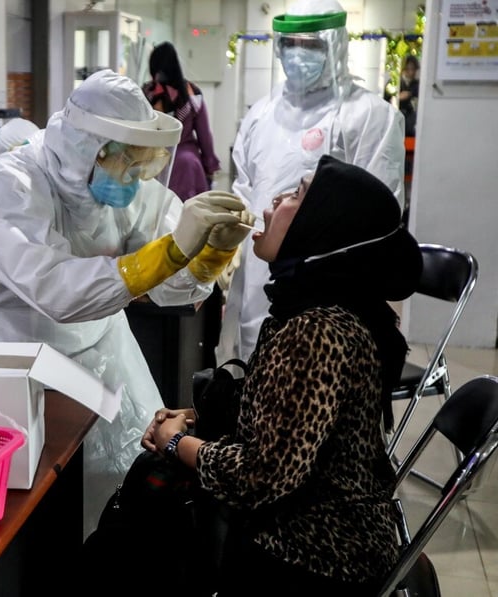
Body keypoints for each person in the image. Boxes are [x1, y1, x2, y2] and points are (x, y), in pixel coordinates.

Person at [0, 69, 253, 534]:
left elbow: (168, 284)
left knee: (130, 486)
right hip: (17, 362)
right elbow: (56, 290)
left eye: (143, 162)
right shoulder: (7, 188)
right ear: (86, 148)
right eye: (127, 160)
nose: (135, 176)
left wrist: (206, 257)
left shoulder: (118, 187)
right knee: (39, 513)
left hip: (101, 349)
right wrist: (167, 253)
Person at [144, 155, 422, 596]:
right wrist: (195, 421)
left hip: (315, 554)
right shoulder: (318, 306)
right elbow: (282, 424)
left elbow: (259, 477)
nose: (274, 200)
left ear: (325, 228)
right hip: (318, 535)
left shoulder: (316, 332)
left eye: (297, 194)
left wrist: (175, 443)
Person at [222, 0, 406, 363]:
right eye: (290, 43)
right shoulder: (261, 114)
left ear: (336, 44)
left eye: (311, 45)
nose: (298, 54)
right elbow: (245, 192)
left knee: (313, 370)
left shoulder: (370, 116)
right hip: (258, 272)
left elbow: (377, 215)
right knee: (255, 361)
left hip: (329, 291)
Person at [142, 41, 221, 201]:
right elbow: (204, 135)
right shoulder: (191, 94)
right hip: (187, 165)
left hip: (152, 163)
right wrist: (210, 165)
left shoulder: (145, 94)